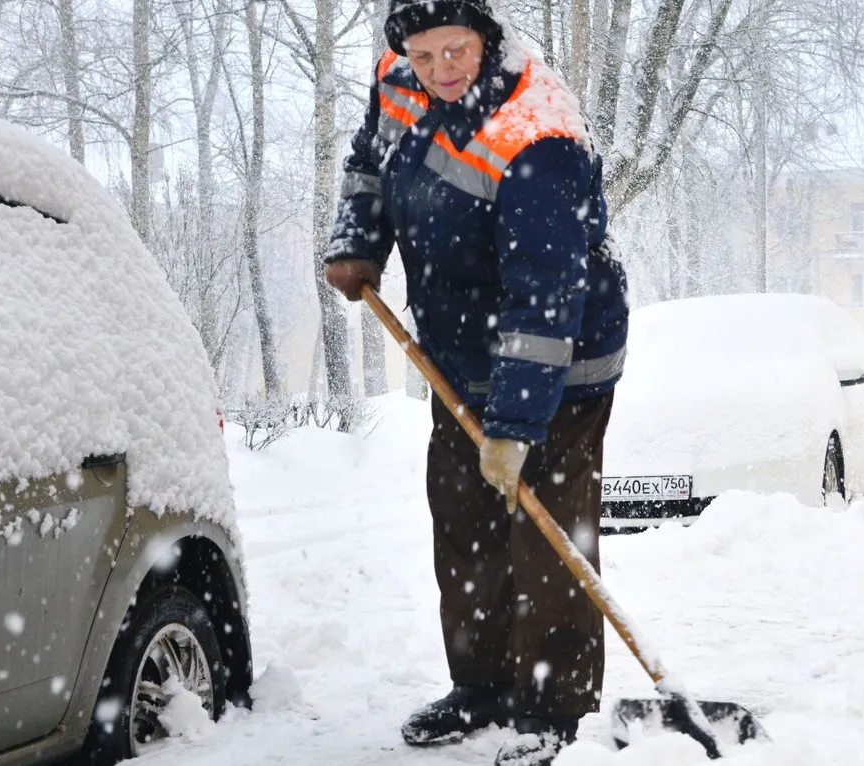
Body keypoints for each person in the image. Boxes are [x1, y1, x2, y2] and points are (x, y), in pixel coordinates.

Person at [321, 1, 629, 763]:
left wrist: (518, 426)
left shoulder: (537, 133)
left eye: (454, 51)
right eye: (423, 57)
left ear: (485, 37)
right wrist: (358, 240)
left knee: (547, 543)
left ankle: (556, 707)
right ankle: (482, 686)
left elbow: (546, 291)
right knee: (465, 527)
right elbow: (371, 159)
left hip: (560, 367)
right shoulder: (401, 79)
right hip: (460, 360)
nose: (439, 71)